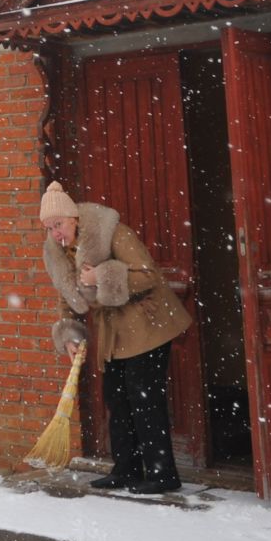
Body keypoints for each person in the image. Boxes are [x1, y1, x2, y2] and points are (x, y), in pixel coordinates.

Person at [39, 181, 193, 494]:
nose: (55, 232)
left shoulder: (113, 232)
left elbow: (148, 274)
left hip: (147, 323)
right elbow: (67, 296)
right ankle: (126, 470)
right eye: (48, 227)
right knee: (116, 399)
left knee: (145, 400)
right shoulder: (59, 252)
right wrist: (69, 333)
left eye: (58, 224)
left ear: (74, 219)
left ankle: (163, 475)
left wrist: (102, 276)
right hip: (113, 333)